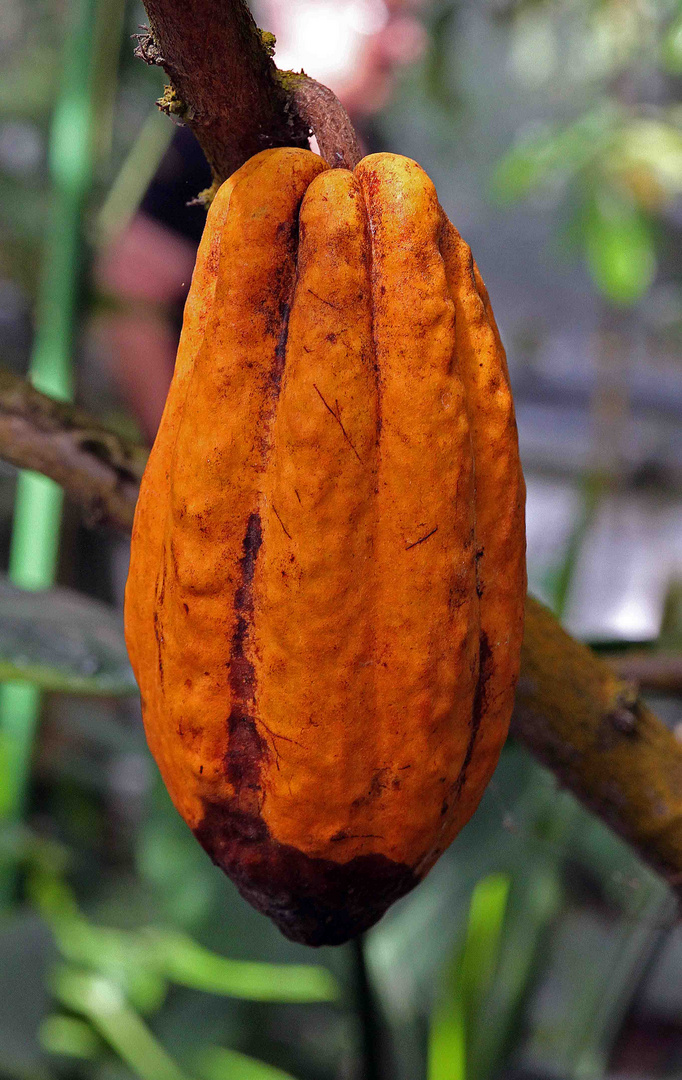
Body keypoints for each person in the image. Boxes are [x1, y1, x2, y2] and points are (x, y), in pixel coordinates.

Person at [95, 0, 426, 441]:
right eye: (385, 15)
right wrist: (183, 467)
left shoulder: (373, 144)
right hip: (232, 454)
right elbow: (130, 301)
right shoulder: (217, 135)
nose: (407, 46)